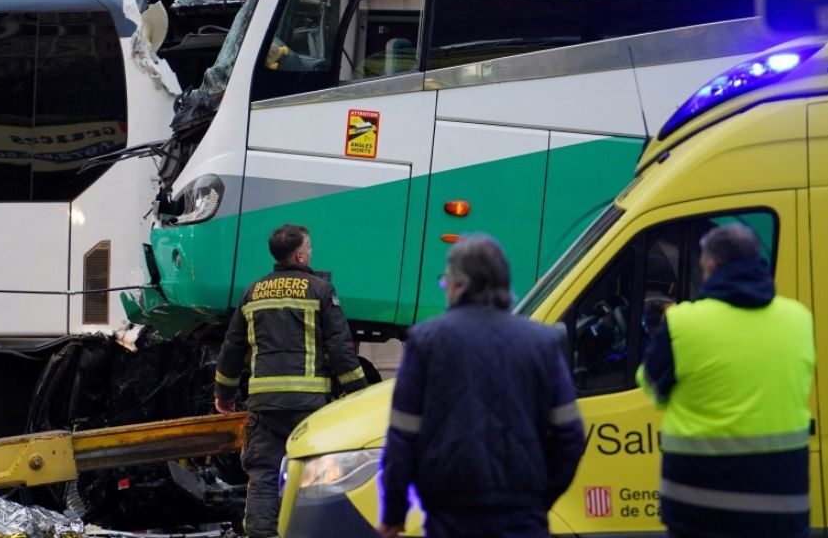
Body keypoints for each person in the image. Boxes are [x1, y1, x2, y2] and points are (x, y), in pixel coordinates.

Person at [379, 235, 586, 538]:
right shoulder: (542, 343)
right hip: (522, 516)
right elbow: (570, 435)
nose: (445, 288)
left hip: (450, 516)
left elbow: (402, 437)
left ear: (460, 285)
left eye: (446, 281)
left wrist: (395, 514)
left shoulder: (427, 341)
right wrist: (539, 499)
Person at [638, 224, 815, 538]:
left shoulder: (683, 322)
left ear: (711, 266)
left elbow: (652, 386)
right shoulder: (799, 318)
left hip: (700, 509)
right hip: (782, 505)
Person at [215, 223, 368, 538]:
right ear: (300, 255)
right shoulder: (320, 291)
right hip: (308, 406)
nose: (311, 252)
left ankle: (261, 533)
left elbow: (232, 350)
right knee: (316, 474)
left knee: (264, 474)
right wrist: (359, 396)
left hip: (265, 405)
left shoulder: (252, 292)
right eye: (309, 248)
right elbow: (341, 351)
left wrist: (224, 395)